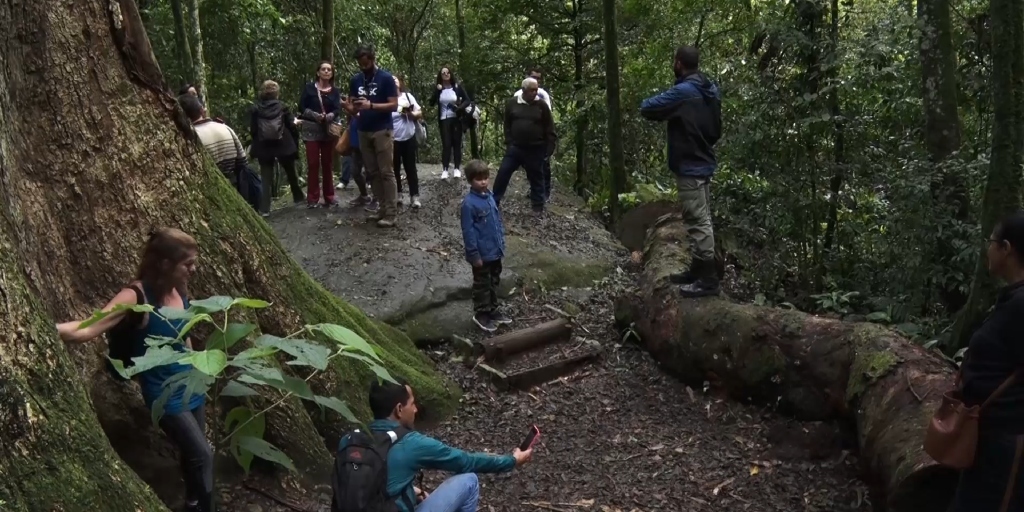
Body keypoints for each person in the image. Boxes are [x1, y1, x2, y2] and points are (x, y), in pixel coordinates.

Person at [56, 228, 214, 512]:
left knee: (194, 455)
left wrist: (197, 367)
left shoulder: (179, 288)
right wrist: (41, 328)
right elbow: (87, 328)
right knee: (203, 455)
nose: (194, 269)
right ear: (165, 264)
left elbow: (185, 332)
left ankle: (192, 502)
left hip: (190, 384)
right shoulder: (136, 296)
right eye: (187, 264)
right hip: (165, 394)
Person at [339, 378, 532, 512]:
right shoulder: (410, 443)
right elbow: (466, 461)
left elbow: (367, 486)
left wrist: (410, 492)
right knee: (469, 481)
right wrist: (511, 461)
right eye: (412, 403)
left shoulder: (349, 441)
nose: (415, 409)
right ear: (399, 409)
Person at [952, 211, 1024, 512]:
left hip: (1007, 450)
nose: (988, 249)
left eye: (991, 242)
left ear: (1006, 248)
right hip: (987, 440)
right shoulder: (1012, 298)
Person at [639, 45, 722, 298]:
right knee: (699, 216)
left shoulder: (685, 92)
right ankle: (697, 270)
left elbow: (648, 107)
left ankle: (708, 280)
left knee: (699, 220)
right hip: (702, 159)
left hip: (691, 163)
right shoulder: (711, 89)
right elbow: (716, 130)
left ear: (679, 63)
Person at [344, 44, 399, 228]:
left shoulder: (386, 79)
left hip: (382, 129)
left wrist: (372, 106)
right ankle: (381, 209)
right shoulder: (356, 80)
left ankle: (391, 212)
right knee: (372, 172)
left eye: (366, 63)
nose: (363, 67)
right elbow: (353, 107)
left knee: (386, 172)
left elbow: (393, 105)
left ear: (373, 59)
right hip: (363, 129)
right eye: (360, 64)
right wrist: (348, 107)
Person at [460, 160, 512, 332]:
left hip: (495, 251)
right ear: (470, 181)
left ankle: (492, 310)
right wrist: (474, 255)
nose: (483, 182)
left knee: (493, 281)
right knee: (482, 283)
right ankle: (481, 313)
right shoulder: (469, 204)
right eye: (478, 179)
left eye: (485, 178)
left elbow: (496, 223)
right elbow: (468, 232)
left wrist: (501, 244)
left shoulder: (490, 197)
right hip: (481, 254)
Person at [492, 78, 556, 216]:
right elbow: (507, 124)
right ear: (524, 90)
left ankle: (538, 207)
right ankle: (494, 201)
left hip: (536, 147)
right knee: (504, 172)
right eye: (532, 90)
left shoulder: (542, 106)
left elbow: (549, 127)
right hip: (516, 147)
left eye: (536, 90)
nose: (535, 93)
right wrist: (509, 142)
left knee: (536, 176)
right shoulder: (512, 104)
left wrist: (549, 147)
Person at [249, 79, 304, 215]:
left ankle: (265, 209)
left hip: (264, 146)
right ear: (276, 93)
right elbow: (291, 125)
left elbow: (253, 129)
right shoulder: (283, 107)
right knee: (291, 172)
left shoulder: (256, 109)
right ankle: (298, 197)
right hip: (283, 144)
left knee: (266, 178)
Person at [298, 60, 343, 208]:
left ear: (332, 74)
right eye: (323, 69)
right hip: (311, 129)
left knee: (327, 162)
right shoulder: (309, 88)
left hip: (327, 130)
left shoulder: (335, 91)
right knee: (313, 163)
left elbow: (337, 109)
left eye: (329, 70)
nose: (326, 72)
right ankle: (312, 198)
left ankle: (329, 197)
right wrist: (314, 115)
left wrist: (329, 116)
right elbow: (301, 106)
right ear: (318, 72)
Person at [178, 94, 246, 187]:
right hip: (234, 183)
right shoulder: (225, 128)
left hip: (209, 186)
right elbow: (242, 161)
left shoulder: (190, 138)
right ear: (201, 110)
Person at [513, 67, 554, 202]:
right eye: (533, 77)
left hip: (540, 136)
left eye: (538, 78)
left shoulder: (543, 95)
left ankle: (545, 192)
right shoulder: (518, 95)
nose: (536, 81)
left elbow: (548, 115)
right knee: (530, 165)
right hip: (524, 138)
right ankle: (534, 189)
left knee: (544, 164)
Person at [429, 66, 470, 180]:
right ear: (440, 76)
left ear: (451, 74)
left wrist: (460, 108)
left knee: (456, 143)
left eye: (447, 72)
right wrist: (437, 91)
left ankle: (457, 168)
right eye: (443, 73)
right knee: (446, 144)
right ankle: (445, 169)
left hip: (456, 118)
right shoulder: (439, 89)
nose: (446, 74)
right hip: (444, 119)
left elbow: (467, 100)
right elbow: (431, 102)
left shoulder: (457, 87)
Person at [393, 74, 424, 208]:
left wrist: (410, 114)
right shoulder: (386, 100)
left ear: (400, 83)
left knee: (410, 168)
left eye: (395, 80)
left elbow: (420, 112)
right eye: (391, 81)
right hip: (392, 138)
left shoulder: (407, 97)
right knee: (394, 168)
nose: (394, 82)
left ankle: (414, 196)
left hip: (409, 137)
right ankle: (398, 194)